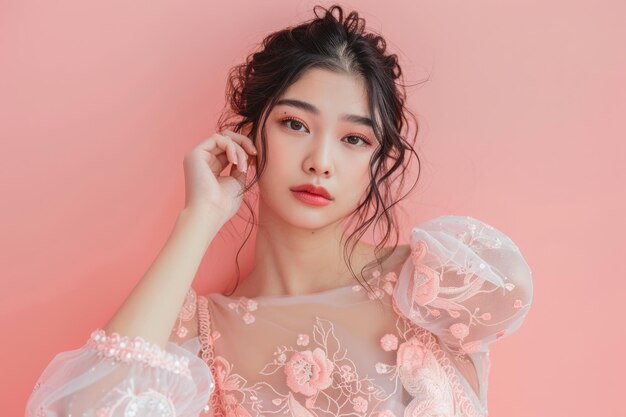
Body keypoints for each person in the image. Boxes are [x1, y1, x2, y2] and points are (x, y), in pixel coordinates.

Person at [25, 4, 534, 417]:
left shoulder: (433, 289)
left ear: (378, 163)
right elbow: (81, 410)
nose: (320, 162)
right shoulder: (198, 338)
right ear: (250, 132)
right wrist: (198, 221)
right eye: (295, 124)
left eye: (354, 139)